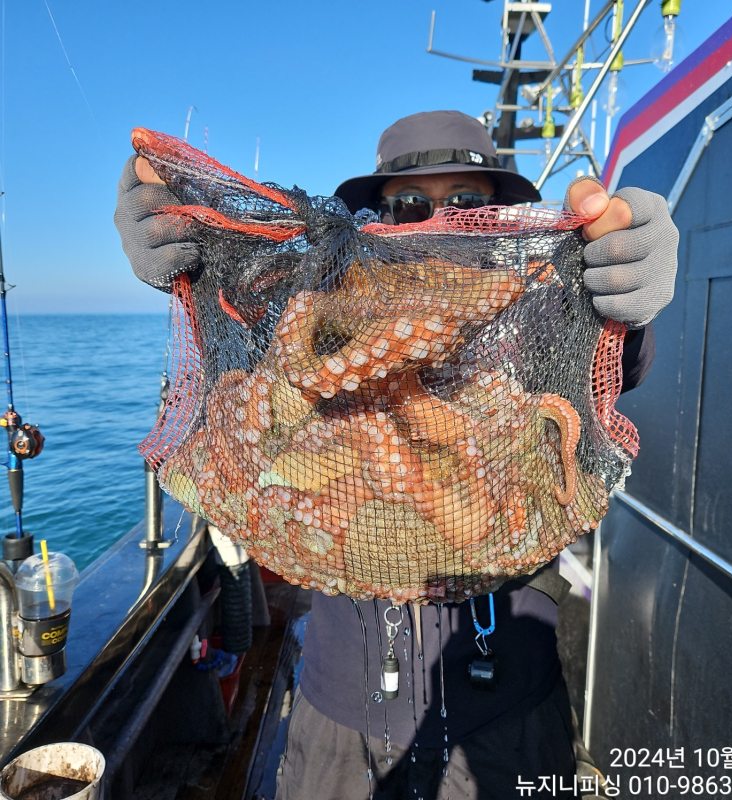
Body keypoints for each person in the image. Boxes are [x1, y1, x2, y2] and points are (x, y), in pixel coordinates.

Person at [115, 110, 678, 800]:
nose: (438, 221)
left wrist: (626, 298)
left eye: (467, 204)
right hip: (337, 716)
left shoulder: (537, 320)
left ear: (502, 217)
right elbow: (255, 373)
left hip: (505, 715)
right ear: (378, 218)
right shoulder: (323, 308)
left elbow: (608, 369)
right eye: (410, 204)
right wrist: (196, 261)